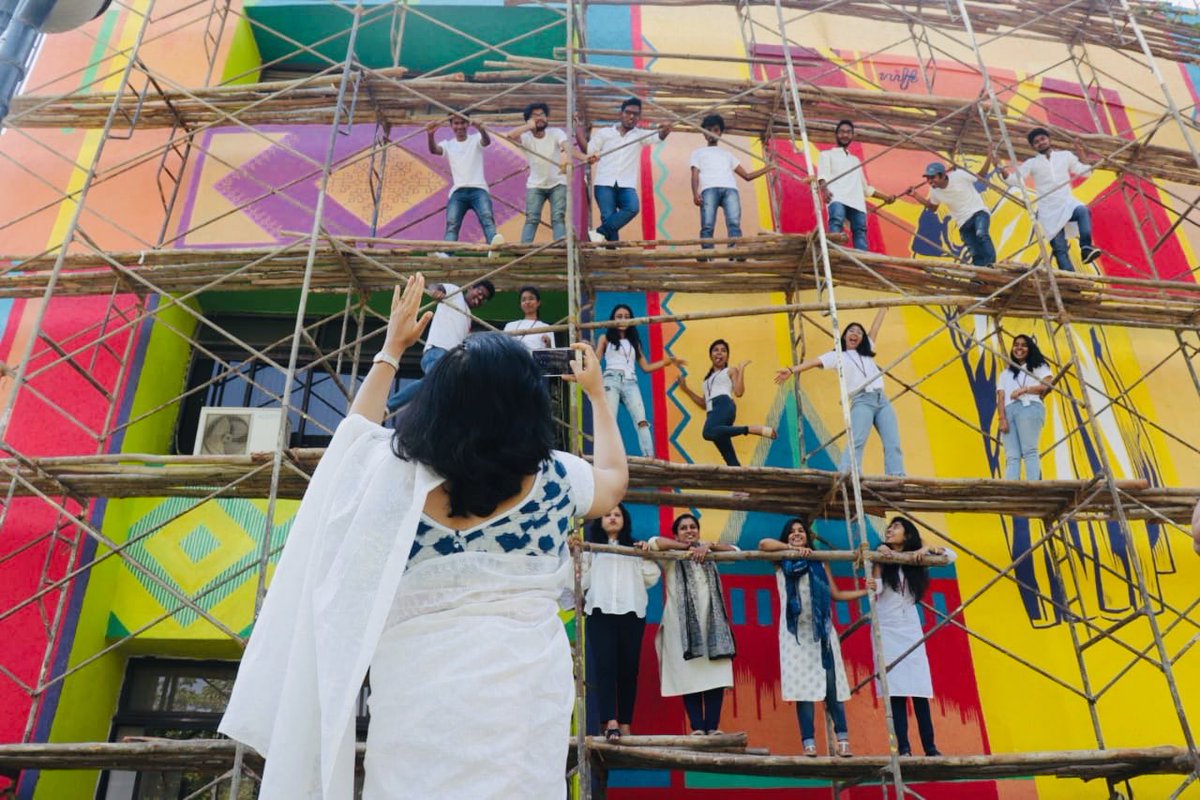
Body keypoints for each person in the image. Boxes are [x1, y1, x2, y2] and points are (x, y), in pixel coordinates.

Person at [218, 273, 627, 799]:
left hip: (415, 708)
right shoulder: (557, 479)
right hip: (522, 713)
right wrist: (596, 395)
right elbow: (614, 482)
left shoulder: (391, 479)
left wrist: (391, 350)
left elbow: (352, 439)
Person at [759, 519, 869, 757]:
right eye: (792, 532)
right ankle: (808, 743)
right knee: (803, 691)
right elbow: (763, 543)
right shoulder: (781, 561)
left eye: (801, 532)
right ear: (786, 537)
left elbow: (836, 594)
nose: (797, 534)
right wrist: (793, 550)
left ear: (808, 537)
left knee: (832, 687)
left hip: (822, 633)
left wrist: (866, 591)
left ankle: (843, 741)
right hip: (794, 637)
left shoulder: (819, 561)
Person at [637, 513, 737, 735]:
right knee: (688, 675)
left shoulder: (710, 554)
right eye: (683, 528)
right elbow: (655, 542)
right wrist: (686, 549)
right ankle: (697, 728)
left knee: (716, 673)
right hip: (682, 628)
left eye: (693, 527)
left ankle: (712, 727)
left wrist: (708, 546)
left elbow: (736, 552)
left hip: (714, 626)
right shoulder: (671, 555)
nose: (689, 530)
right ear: (676, 533)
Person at [775, 308, 904, 476]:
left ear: (862, 339)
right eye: (851, 331)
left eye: (859, 332)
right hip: (862, 400)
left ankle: (897, 476)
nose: (855, 334)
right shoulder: (837, 355)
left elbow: (874, 329)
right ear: (844, 336)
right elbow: (814, 362)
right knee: (857, 441)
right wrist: (792, 370)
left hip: (882, 399)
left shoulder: (867, 352)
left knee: (893, 442)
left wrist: (882, 309)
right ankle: (849, 474)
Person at [872, 517, 955, 757]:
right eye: (888, 528)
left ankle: (930, 747)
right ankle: (904, 748)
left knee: (919, 689)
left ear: (907, 535)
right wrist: (879, 556)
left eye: (895, 528)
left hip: (909, 629)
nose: (889, 530)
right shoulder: (882, 556)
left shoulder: (917, 558)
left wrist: (926, 548)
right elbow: (875, 589)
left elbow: (951, 556)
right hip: (886, 629)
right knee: (896, 691)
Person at [576, 504, 659, 742]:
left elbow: (651, 577)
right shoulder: (592, 550)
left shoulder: (634, 548)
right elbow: (580, 580)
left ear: (625, 520)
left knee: (628, 670)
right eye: (608, 514)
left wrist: (645, 555)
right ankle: (609, 722)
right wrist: (577, 553)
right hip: (600, 611)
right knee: (604, 668)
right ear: (599, 521)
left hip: (631, 612)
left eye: (617, 515)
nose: (612, 518)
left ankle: (625, 724)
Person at [997, 127, 1102, 271]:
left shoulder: (1065, 156)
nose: (1040, 143)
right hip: (1048, 211)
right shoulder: (1032, 163)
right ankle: (1072, 284)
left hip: (1066, 203)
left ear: (1049, 140)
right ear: (1033, 147)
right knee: (1060, 249)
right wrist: (999, 167)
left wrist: (1079, 149)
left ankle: (1086, 248)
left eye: (1042, 139)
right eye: (1036, 142)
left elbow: (1086, 172)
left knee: (1083, 211)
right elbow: (1015, 180)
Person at [386, 279, 494, 411]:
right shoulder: (456, 292)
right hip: (438, 350)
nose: (479, 298)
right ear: (471, 287)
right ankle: (388, 406)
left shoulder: (469, 317)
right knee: (433, 383)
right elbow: (436, 286)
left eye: (483, 298)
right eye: (479, 292)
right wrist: (435, 291)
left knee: (442, 392)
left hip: (451, 360)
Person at [596, 304, 684, 459]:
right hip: (611, 380)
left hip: (631, 382)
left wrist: (667, 361)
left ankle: (649, 457)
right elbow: (596, 360)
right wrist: (585, 351)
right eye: (619, 316)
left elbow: (646, 367)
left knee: (642, 421)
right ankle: (608, 456)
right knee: (609, 419)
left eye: (626, 317)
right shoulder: (605, 338)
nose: (623, 319)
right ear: (612, 319)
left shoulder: (633, 342)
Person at [675, 338, 776, 467]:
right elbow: (703, 404)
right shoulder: (706, 381)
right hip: (713, 413)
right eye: (716, 350)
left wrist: (741, 370)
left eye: (723, 351)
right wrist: (686, 389)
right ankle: (744, 485)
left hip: (724, 405)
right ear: (710, 355)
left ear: (727, 357)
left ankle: (750, 429)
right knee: (730, 459)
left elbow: (739, 392)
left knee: (708, 432)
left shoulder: (730, 371)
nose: (719, 353)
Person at [586, 97, 671, 243]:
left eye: (636, 114)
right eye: (628, 112)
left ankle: (599, 233)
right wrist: (580, 132)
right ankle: (614, 254)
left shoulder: (640, 135)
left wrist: (666, 129)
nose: (631, 116)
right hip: (604, 183)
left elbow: (658, 137)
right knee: (608, 216)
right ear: (621, 113)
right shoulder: (605, 133)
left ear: (639, 117)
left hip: (626, 184)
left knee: (632, 207)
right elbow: (590, 150)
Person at [689, 113, 773, 250]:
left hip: (730, 190)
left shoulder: (727, 154)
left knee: (734, 223)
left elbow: (746, 176)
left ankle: (734, 252)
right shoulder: (698, 153)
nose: (712, 133)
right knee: (707, 225)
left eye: (715, 130)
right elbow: (694, 174)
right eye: (708, 130)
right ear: (703, 133)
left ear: (721, 132)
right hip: (709, 189)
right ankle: (707, 254)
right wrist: (695, 193)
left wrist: (767, 169)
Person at [817, 119, 895, 251]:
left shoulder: (855, 161)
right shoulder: (826, 155)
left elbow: (865, 189)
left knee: (860, 230)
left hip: (856, 201)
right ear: (836, 135)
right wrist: (824, 190)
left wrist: (885, 198)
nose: (845, 135)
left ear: (852, 136)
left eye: (848, 132)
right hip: (837, 197)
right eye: (842, 132)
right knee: (836, 222)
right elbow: (822, 176)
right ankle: (834, 253)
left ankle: (861, 259)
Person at [428, 114, 505, 248]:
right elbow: (434, 150)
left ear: (468, 124)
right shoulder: (448, 144)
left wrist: (481, 128)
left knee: (487, 219)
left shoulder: (476, 139)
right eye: (456, 123)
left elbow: (486, 142)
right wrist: (430, 134)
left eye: (463, 123)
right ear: (451, 125)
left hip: (479, 189)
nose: (460, 126)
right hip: (458, 192)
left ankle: (494, 249)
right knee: (452, 224)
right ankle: (447, 253)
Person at [911, 161, 996, 266]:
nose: (930, 181)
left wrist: (989, 157)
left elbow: (981, 176)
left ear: (942, 175)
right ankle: (979, 276)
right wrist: (915, 195)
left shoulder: (959, 175)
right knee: (974, 250)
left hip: (978, 212)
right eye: (928, 178)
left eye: (932, 177)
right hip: (962, 222)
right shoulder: (935, 192)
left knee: (981, 234)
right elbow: (933, 207)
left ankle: (992, 264)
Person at [505, 103, 569, 243]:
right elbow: (509, 136)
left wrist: (571, 159)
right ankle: (524, 250)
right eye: (535, 116)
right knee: (532, 219)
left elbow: (566, 146)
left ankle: (561, 249)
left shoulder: (556, 133)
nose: (540, 118)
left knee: (558, 217)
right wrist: (529, 126)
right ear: (528, 120)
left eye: (542, 115)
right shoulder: (526, 138)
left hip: (557, 183)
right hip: (535, 185)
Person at [995, 334, 1053, 480]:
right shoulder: (1005, 373)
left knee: (1029, 451)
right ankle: (1011, 488)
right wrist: (1002, 418)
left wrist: (1024, 390)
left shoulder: (1038, 366)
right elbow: (1001, 397)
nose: (1019, 348)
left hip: (1029, 406)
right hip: (1009, 411)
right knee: (1012, 455)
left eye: (1023, 345)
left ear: (1030, 348)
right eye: (1016, 344)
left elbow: (1047, 385)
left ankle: (1033, 486)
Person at [503, 285, 554, 351]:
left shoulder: (546, 327)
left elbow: (552, 356)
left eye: (531, 298)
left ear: (538, 303)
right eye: (523, 300)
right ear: (520, 305)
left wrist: (548, 344)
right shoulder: (510, 326)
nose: (527, 302)